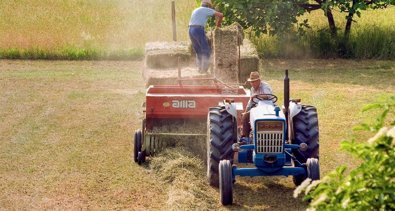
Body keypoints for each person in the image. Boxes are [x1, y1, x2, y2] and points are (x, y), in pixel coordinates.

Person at [188, 0, 223, 73]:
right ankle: (204, 70)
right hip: (198, 29)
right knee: (206, 50)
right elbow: (220, 15)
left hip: (190, 30)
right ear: (209, 6)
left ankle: (200, 69)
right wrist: (218, 25)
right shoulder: (206, 10)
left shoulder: (196, 9)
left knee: (198, 50)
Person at [241, 71, 273, 137]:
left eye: (254, 81)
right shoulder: (252, 89)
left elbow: (268, 96)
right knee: (246, 116)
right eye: (251, 82)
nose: (252, 83)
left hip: (269, 107)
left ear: (259, 81)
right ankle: (245, 137)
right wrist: (245, 112)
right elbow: (250, 102)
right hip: (257, 108)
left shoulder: (265, 86)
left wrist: (257, 95)